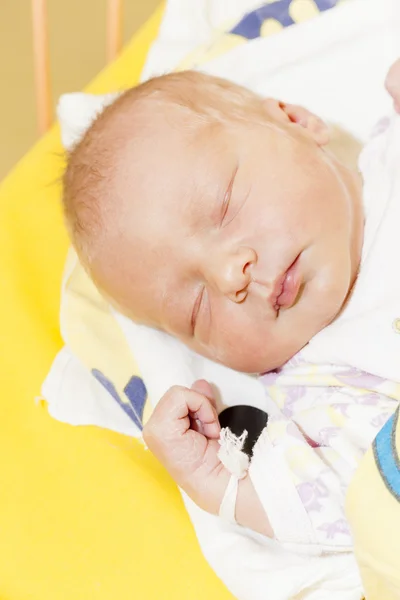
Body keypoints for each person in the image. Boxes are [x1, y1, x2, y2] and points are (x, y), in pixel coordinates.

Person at [62, 60, 400, 598]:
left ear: (296, 121)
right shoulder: (322, 391)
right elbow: (341, 506)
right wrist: (223, 486)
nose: (229, 274)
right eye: (197, 310)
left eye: (224, 207)